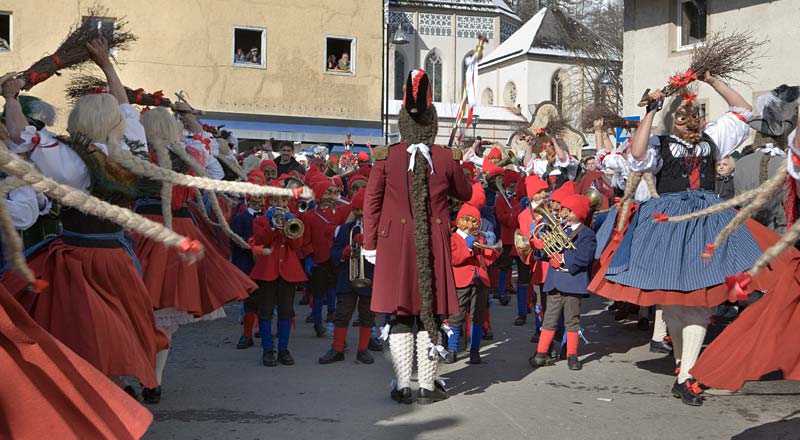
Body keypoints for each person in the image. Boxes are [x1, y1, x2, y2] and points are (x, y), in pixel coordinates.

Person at [590, 73, 785, 406]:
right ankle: (683, 368)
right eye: (681, 115)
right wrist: (650, 111)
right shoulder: (659, 143)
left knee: (694, 305)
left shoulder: (713, 138)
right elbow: (637, 155)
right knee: (675, 308)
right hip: (668, 225)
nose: (688, 120)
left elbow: (741, 109)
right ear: (671, 119)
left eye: (692, 114)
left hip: (704, 223)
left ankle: (686, 377)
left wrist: (712, 80)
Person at [2, 38, 161, 393]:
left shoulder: (71, 160)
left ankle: (85, 394)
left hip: (77, 259)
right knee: (118, 325)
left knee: (77, 332)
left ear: (79, 119)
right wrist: (107, 64)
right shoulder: (131, 147)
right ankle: (115, 385)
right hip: (117, 256)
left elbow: (18, 134)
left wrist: (11, 97)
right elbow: (126, 106)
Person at [363, 69, 472, 404]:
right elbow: (464, 193)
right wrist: (457, 164)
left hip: (394, 244)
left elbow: (372, 202)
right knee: (431, 311)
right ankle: (427, 383)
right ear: (432, 123)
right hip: (435, 244)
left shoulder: (386, 157)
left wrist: (370, 245)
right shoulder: (444, 157)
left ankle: (404, 384)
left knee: (400, 314)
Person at [529, 194, 596, 371]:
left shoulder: (587, 234)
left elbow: (585, 257)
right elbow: (548, 253)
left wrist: (563, 258)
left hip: (573, 283)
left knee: (572, 320)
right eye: (563, 210)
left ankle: (572, 355)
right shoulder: (559, 228)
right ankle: (540, 353)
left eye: (567, 210)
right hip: (555, 282)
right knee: (549, 319)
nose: (563, 213)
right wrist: (539, 248)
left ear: (577, 212)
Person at [318, 190, 377, 364]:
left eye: (363, 211)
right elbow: (334, 252)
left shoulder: (378, 230)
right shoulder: (346, 229)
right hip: (348, 279)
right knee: (342, 314)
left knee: (367, 315)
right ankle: (337, 349)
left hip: (370, 278)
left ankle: (363, 350)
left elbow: (386, 255)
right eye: (357, 211)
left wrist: (368, 243)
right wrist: (343, 253)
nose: (360, 215)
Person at [249, 191, 307, 366]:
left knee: (286, 311)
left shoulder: (293, 219)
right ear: (269, 202)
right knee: (265, 311)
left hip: (288, 271)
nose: (280, 204)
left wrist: (289, 225)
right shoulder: (261, 221)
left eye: (283, 200)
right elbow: (259, 241)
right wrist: (272, 227)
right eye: (275, 200)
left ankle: (283, 349)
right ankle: (268, 349)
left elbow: (297, 246)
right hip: (267, 271)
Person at [445, 190, 499, 365]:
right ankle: (452, 349)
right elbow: (454, 258)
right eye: (465, 220)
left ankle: (475, 350)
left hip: (480, 280)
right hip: (461, 281)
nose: (469, 224)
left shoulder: (478, 238)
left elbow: (489, 261)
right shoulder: (452, 238)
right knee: (456, 315)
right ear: (459, 221)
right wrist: (468, 249)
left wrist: (491, 246)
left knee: (478, 316)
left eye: (473, 221)